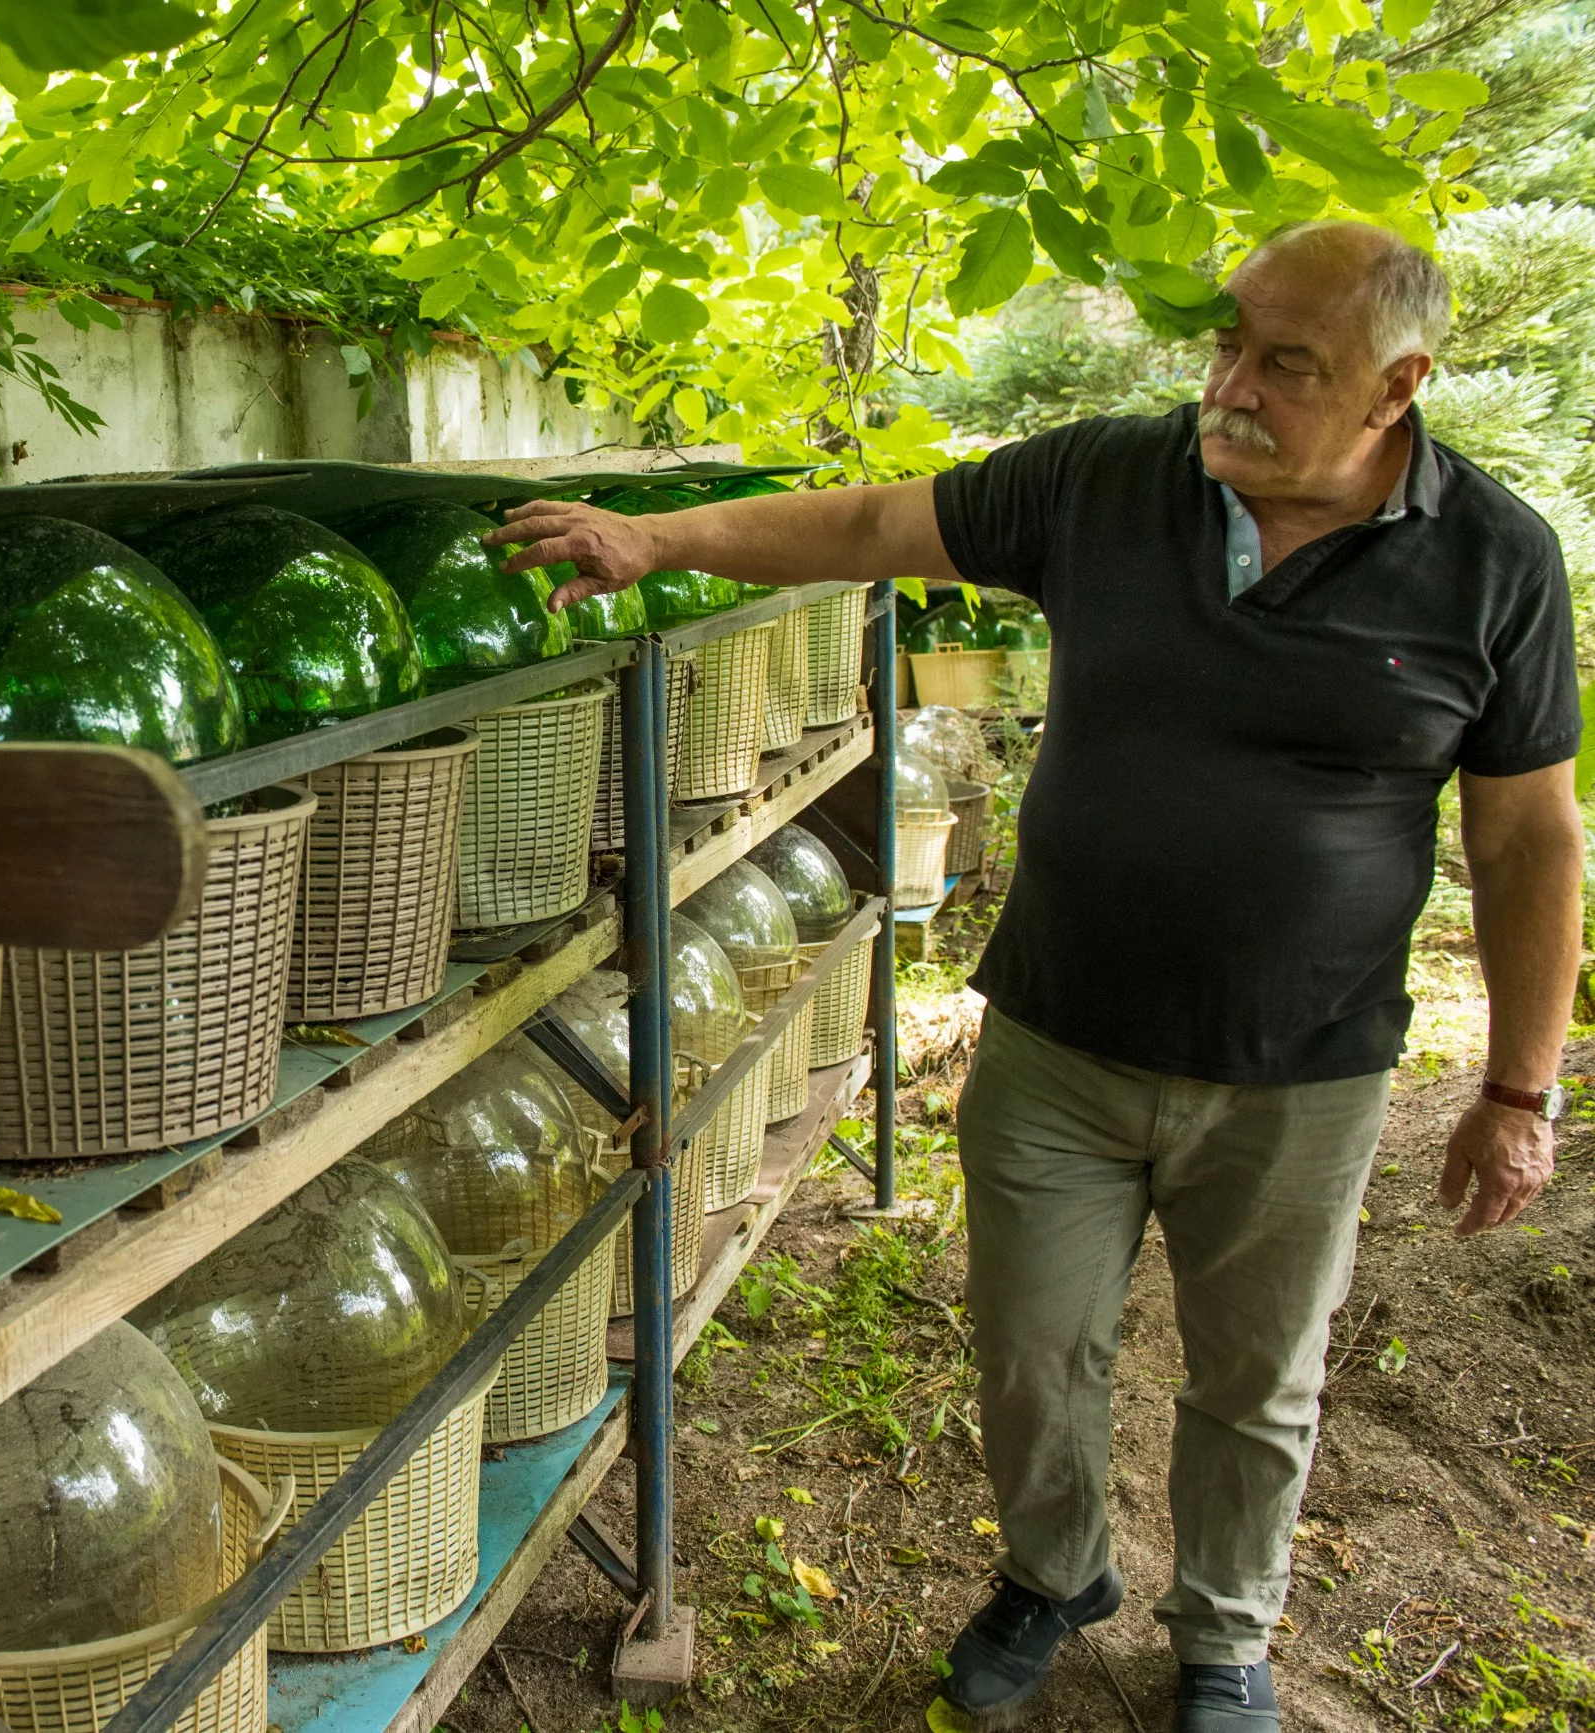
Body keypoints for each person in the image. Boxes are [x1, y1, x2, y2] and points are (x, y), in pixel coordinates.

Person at [486, 220, 1583, 1733]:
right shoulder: (1107, 480)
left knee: (1257, 1384)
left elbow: (1526, 836)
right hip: (1061, 1041)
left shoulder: (1497, 561)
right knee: (1029, 1348)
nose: (1232, 385)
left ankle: (1225, 1641)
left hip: (1305, 1071)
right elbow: (877, 527)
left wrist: (1520, 1084)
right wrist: (655, 539)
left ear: (1399, 387)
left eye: (1287, 363)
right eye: (1227, 341)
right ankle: (1058, 1575)